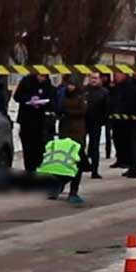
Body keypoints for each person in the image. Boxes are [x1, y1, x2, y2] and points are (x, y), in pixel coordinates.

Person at [13, 72, 56, 173]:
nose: (42, 79)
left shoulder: (48, 86)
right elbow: (17, 97)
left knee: (40, 150)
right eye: (40, 76)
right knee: (28, 149)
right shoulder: (26, 82)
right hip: (27, 121)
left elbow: (52, 101)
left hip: (42, 123)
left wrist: (43, 103)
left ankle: (39, 171)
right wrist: (29, 100)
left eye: (44, 77)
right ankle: (29, 171)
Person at [56, 74, 89, 203]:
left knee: (77, 163)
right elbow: (58, 108)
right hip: (64, 132)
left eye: (72, 85)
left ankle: (73, 190)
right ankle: (60, 185)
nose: (70, 87)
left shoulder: (81, 96)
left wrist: (67, 111)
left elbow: (82, 110)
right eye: (68, 84)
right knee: (62, 161)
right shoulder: (62, 94)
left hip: (77, 133)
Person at [37, 133, 84, 204]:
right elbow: (85, 164)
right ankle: (73, 193)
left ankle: (53, 190)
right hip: (65, 173)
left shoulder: (52, 143)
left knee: (57, 170)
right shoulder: (76, 146)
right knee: (78, 168)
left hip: (46, 172)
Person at [84, 72, 110, 178]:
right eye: (91, 78)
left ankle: (94, 170)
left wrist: (103, 120)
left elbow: (107, 107)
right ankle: (83, 165)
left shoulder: (104, 92)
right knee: (80, 145)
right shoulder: (84, 91)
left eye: (95, 78)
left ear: (100, 79)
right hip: (84, 122)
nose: (93, 80)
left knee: (95, 146)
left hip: (96, 122)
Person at [109, 72, 133, 169]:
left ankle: (127, 160)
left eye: (117, 74)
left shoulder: (129, 86)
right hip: (116, 118)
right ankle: (120, 159)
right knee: (117, 139)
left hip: (126, 119)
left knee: (126, 140)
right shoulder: (116, 87)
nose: (115, 76)